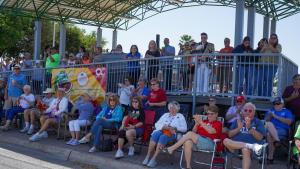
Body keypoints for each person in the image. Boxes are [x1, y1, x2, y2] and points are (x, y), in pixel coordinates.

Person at [163, 105, 222, 169]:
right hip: (199, 142)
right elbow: (193, 132)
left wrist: (200, 122)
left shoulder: (218, 123)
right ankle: (188, 167)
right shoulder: (204, 122)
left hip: (211, 143)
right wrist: (197, 123)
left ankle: (172, 148)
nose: (209, 115)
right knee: (188, 142)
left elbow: (211, 131)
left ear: (216, 114)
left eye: (212, 114)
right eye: (208, 114)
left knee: (189, 134)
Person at [142, 101, 187, 168]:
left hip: (172, 133)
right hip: (162, 129)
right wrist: (164, 127)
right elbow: (157, 124)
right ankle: (147, 156)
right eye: (171, 108)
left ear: (177, 109)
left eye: (174, 108)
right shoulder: (165, 115)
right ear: (169, 108)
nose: (172, 109)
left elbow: (185, 128)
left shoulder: (180, 116)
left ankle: (154, 158)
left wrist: (175, 128)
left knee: (163, 137)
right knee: (155, 135)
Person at [223, 102, 266, 169]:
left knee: (245, 149)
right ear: (242, 111)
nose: (247, 112)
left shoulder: (258, 122)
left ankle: (248, 146)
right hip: (236, 147)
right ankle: (248, 145)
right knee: (225, 140)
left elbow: (260, 137)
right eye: (245, 110)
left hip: (251, 150)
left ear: (254, 112)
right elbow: (230, 135)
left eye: (250, 110)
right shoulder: (238, 121)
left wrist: (249, 128)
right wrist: (238, 128)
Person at [265, 97, 293, 163]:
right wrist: (269, 116)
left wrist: (276, 117)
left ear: (282, 104)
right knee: (268, 125)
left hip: (282, 130)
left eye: (278, 104)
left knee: (269, 135)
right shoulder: (271, 110)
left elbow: (289, 122)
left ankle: (270, 158)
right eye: (275, 104)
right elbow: (266, 120)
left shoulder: (287, 111)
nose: (276, 105)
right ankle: (277, 141)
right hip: (272, 130)